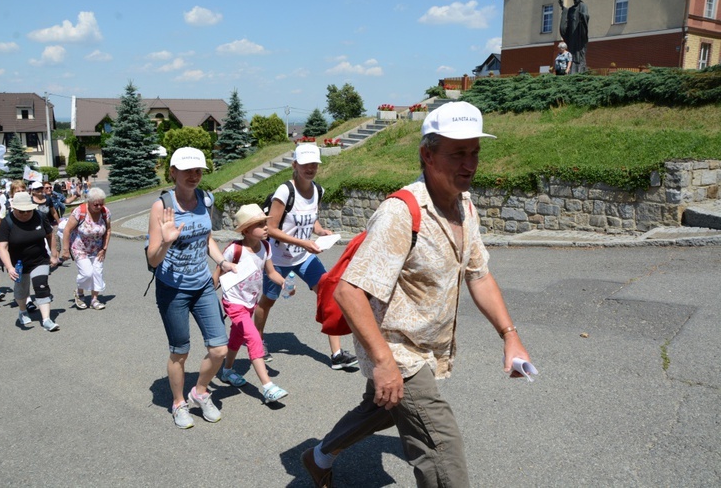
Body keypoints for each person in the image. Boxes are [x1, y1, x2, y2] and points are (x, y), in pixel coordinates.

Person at [300, 102, 534, 487]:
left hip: (428, 344)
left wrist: (511, 337)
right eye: (457, 153)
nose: (470, 163)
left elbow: (479, 275)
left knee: (382, 407)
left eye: (474, 151)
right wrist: (383, 362)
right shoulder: (402, 212)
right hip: (396, 347)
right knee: (441, 447)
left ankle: (320, 455)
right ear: (427, 154)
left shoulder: (465, 206)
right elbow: (349, 291)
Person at [146, 147, 234, 429]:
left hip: (203, 285)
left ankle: (199, 391)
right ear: (173, 173)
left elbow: (207, 239)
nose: (194, 176)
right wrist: (167, 240)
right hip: (173, 289)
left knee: (219, 349)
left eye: (198, 171)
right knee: (180, 351)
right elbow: (152, 258)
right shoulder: (163, 205)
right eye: (187, 171)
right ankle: (178, 402)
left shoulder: (206, 199)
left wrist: (222, 261)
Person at [254, 143, 359, 370]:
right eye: (305, 164)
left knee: (328, 292)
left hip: (303, 257)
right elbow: (271, 228)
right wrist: (303, 242)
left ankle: (337, 353)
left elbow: (311, 219)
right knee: (268, 301)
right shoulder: (285, 191)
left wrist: (321, 231)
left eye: (314, 164)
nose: (310, 168)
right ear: (295, 165)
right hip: (278, 259)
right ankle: (257, 342)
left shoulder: (317, 190)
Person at [213, 204, 291, 404]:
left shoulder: (265, 247)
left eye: (265, 223)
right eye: (259, 224)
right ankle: (268, 387)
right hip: (233, 301)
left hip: (250, 302)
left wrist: (284, 283)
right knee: (253, 337)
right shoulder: (234, 249)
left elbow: (271, 272)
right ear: (246, 230)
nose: (266, 227)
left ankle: (227, 371)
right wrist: (205, 298)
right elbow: (217, 274)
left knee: (237, 336)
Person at [0, 192, 60, 331]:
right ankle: (22, 311)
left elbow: (50, 235)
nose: (25, 214)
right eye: (22, 211)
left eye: (28, 210)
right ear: (14, 209)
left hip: (39, 259)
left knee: (41, 285)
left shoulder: (40, 217)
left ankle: (47, 320)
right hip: (18, 264)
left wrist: (54, 254)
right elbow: (2, 247)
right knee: (21, 291)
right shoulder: (7, 222)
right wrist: (9, 267)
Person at [60, 187, 111, 310]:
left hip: (97, 249)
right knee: (87, 273)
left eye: (101, 203)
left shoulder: (105, 212)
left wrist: (104, 248)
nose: (99, 207)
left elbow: (108, 230)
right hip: (79, 248)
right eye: (96, 204)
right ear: (89, 202)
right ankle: (79, 292)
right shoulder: (79, 211)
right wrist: (65, 250)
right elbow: (67, 230)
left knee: (97, 273)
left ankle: (94, 299)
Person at [559, 0, 589, 73]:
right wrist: (563, 8)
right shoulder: (571, 9)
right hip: (572, 34)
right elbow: (567, 16)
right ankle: (571, 69)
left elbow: (586, 16)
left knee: (579, 53)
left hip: (579, 34)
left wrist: (583, 16)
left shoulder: (583, 6)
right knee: (571, 52)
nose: (574, 1)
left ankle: (579, 70)